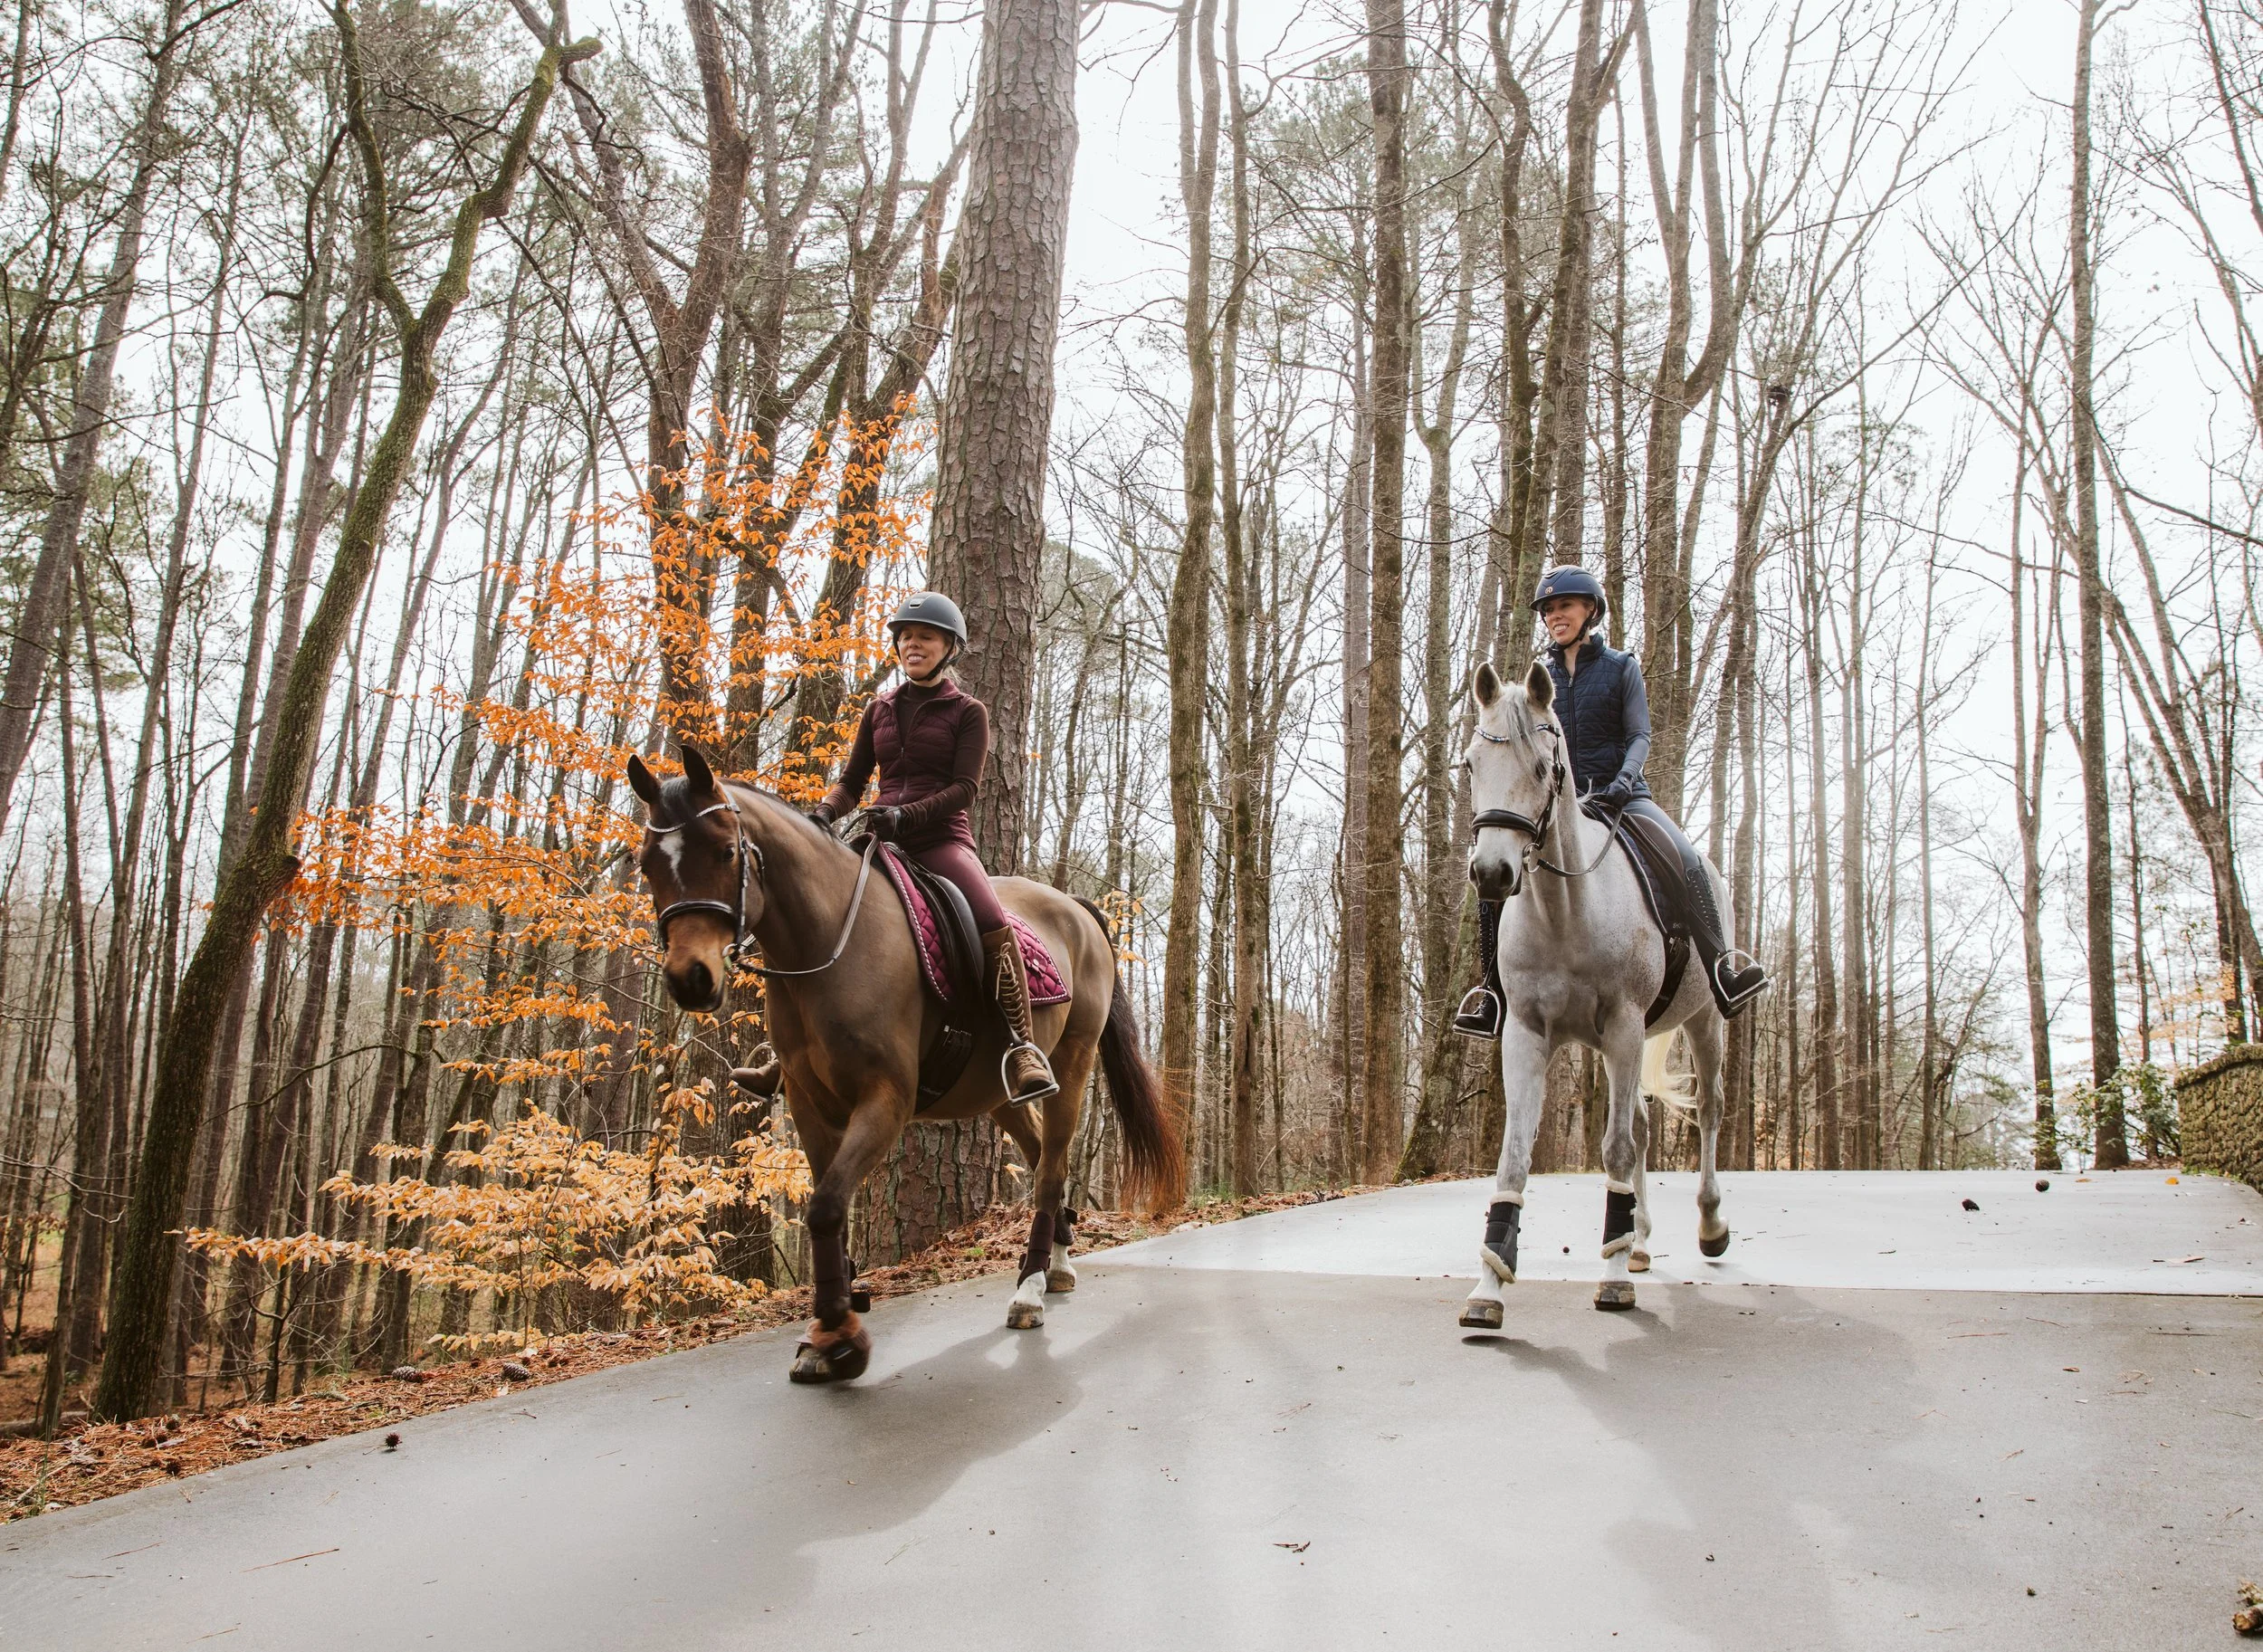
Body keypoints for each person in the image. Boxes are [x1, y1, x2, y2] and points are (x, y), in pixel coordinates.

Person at [1454, 565, 1768, 1039]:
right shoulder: (1540, 682)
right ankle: (1493, 993)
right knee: (1497, 874)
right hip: (1560, 806)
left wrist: (1625, 779)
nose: (1556, 616)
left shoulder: (1622, 668)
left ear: (1590, 611)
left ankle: (1723, 966)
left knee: (1687, 860)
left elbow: (1639, 733)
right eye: (1550, 610)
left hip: (1623, 797)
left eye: (1565, 607)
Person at [799, 591, 1059, 1103]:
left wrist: (907, 814)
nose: (913, 644)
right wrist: (824, 813)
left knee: (992, 920)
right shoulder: (879, 710)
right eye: (906, 637)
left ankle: (1023, 1047)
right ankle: (791, 1047)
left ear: (949, 648)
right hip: (878, 839)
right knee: (813, 908)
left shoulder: (968, 712)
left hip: (941, 840)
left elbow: (965, 788)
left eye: (926, 637)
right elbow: (852, 781)